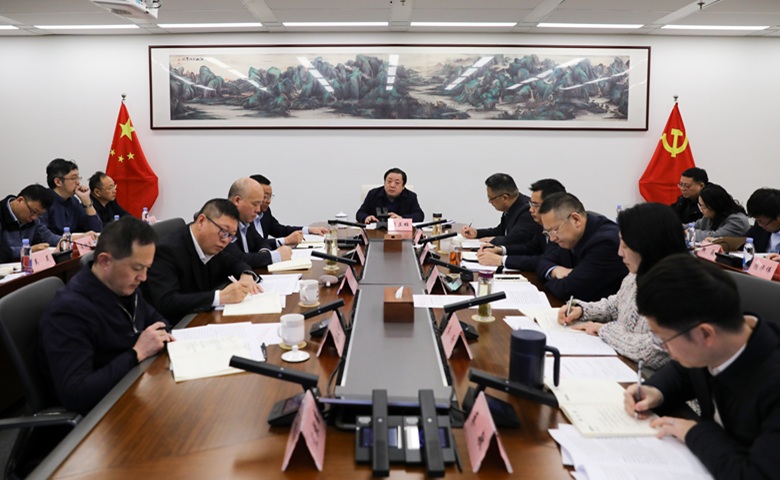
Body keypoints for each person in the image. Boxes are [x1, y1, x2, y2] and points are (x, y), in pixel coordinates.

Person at [624, 254, 780, 480]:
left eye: (664, 340)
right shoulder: (721, 344)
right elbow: (684, 371)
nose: (664, 349)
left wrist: (692, 432)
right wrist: (656, 391)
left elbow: (757, 475)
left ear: (705, 334)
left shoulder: (773, 382)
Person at [39, 217, 174, 414]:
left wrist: (156, 338)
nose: (143, 277)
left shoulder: (124, 286)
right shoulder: (68, 312)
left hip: (132, 387)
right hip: (99, 415)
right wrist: (136, 353)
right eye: (137, 268)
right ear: (105, 261)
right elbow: (76, 394)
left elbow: (159, 321)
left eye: (147, 268)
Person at [558, 203, 688, 369]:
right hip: (623, 360)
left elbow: (653, 351)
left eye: (626, 246)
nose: (620, 252)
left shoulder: (679, 287)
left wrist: (605, 330)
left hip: (648, 375)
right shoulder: (637, 273)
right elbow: (617, 304)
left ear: (649, 245)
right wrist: (583, 310)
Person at [143, 199, 262, 321]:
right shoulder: (167, 250)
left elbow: (233, 262)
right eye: (223, 232)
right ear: (201, 221)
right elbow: (167, 301)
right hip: (176, 325)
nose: (226, 240)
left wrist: (246, 275)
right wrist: (220, 297)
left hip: (201, 317)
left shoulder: (212, 244)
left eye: (231, 235)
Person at [536, 192, 628, 301]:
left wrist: (546, 282)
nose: (552, 239)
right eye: (548, 232)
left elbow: (567, 290)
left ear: (576, 220)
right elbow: (542, 260)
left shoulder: (606, 244)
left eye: (554, 230)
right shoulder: (569, 235)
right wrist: (555, 271)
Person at [476, 178, 564, 271]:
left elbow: (546, 260)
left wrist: (502, 260)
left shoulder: (563, 231)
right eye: (531, 204)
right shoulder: (540, 225)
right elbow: (530, 248)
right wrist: (501, 250)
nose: (531, 209)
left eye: (535, 205)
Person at [225, 177, 291, 267]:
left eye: (259, 204)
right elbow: (237, 259)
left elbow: (260, 241)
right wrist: (275, 256)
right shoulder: (224, 224)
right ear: (237, 200)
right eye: (255, 204)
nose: (258, 210)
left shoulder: (246, 219)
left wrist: (264, 252)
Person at [461, 173, 537, 246]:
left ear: (504, 198)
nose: (489, 202)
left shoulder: (527, 211)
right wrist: (477, 233)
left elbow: (515, 239)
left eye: (491, 198)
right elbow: (500, 231)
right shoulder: (512, 207)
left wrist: (494, 240)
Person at [250, 174, 328, 245]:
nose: (268, 201)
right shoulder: (245, 217)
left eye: (270, 197)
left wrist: (309, 230)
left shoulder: (265, 212)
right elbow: (255, 244)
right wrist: (286, 240)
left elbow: (281, 231)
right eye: (265, 197)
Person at [0, 184, 62, 262]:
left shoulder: (33, 219)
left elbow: (48, 237)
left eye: (39, 214)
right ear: (20, 200)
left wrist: (65, 241)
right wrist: (28, 250)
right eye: (33, 212)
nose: (34, 217)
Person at [41, 158, 102, 235]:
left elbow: (96, 230)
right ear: (58, 182)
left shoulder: (73, 201)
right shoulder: (44, 201)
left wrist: (86, 201)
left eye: (78, 178)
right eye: (73, 178)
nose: (78, 182)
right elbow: (43, 235)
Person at [355, 168, 424, 224]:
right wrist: (366, 217)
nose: (392, 185)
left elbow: (419, 215)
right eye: (389, 181)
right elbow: (360, 213)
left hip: (401, 233)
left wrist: (402, 218)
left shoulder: (410, 196)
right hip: (376, 232)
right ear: (384, 182)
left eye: (397, 183)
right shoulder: (373, 194)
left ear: (403, 186)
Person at [745, 187, 780, 254]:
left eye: (762, 222)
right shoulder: (759, 227)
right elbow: (743, 243)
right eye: (757, 220)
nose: (760, 225)